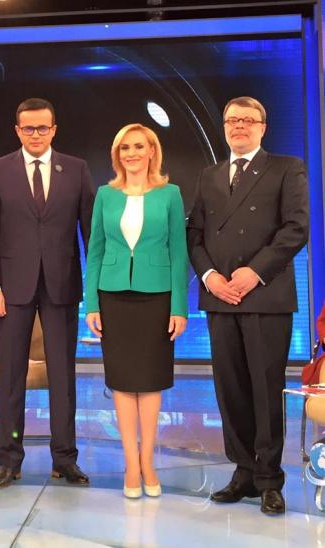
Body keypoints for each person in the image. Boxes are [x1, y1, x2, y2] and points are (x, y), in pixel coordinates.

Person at [187, 96, 309, 514]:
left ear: (262, 127)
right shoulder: (208, 175)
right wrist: (210, 277)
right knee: (231, 390)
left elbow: (296, 228)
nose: (239, 126)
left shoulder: (286, 168)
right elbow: (195, 234)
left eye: (247, 120)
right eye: (232, 120)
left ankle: (270, 479)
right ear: (224, 127)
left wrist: (253, 273)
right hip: (220, 297)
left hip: (265, 297)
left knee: (265, 389)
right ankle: (243, 471)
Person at [0, 97, 94, 487]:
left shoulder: (76, 170)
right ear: (17, 131)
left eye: (42, 127)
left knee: (63, 375)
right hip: (11, 289)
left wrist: (95, 288)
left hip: (62, 287)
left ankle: (65, 458)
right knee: (11, 376)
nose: (36, 134)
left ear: (54, 129)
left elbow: (90, 234)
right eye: (28, 128)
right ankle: (9, 459)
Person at [85, 123, 188, 499]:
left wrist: (179, 307)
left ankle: (148, 462)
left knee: (151, 381)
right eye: (125, 147)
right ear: (117, 154)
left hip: (156, 297)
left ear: (152, 151)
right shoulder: (105, 195)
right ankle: (131, 463)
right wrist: (91, 303)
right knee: (123, 381)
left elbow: (179, 252)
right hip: (113, 297)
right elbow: (95, 250)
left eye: (139, 146)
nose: (131, 153)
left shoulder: (170, 194)